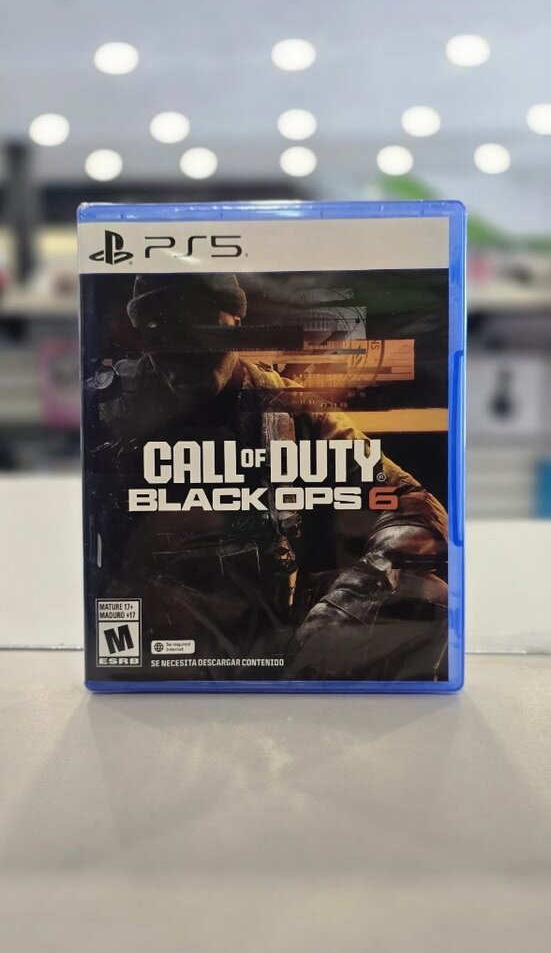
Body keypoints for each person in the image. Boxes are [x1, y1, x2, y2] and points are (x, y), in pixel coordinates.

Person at [88, 273, 448, 682]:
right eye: (165, 333)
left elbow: (409, 500)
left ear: (236, 325)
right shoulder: (107, 410)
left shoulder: (290, 408)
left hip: (272, 618)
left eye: (201, 331)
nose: (185, 353)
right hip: (159, 625)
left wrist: (357, 595)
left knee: (425, 595)